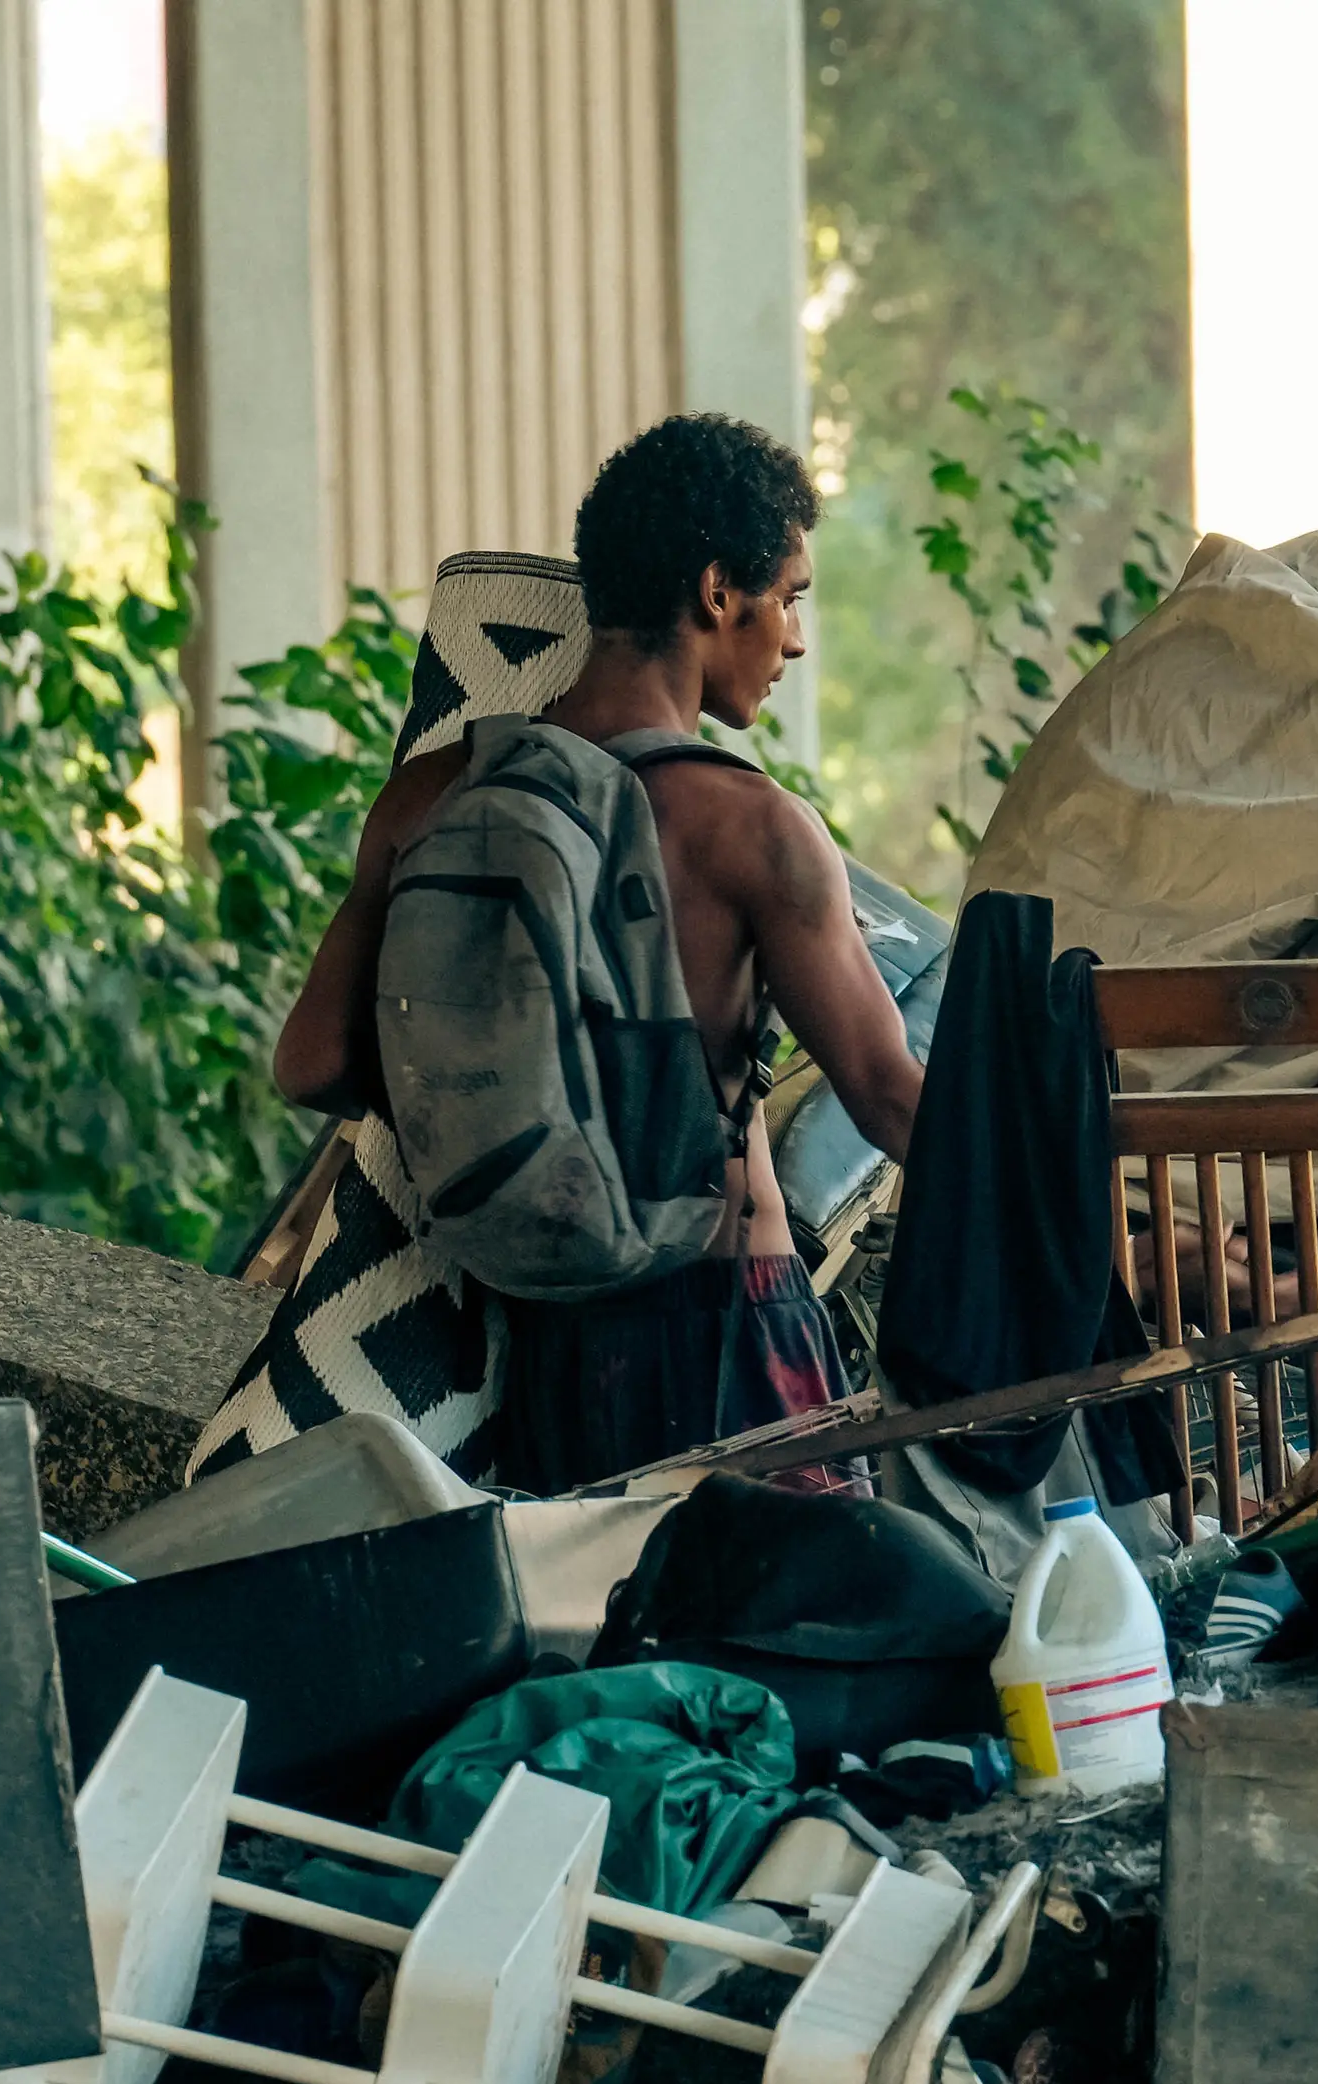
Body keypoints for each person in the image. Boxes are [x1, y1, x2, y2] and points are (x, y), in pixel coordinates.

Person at [274, 412, 926, 1494]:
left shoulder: (434, 791)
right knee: (796, 1644)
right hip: (730, 1330)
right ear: (720, 592)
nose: (797, 641)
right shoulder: (754, 828)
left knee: (615, 1646)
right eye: (791, 597)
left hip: (548, 1347)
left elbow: (311, 1064)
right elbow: (889, 1097)